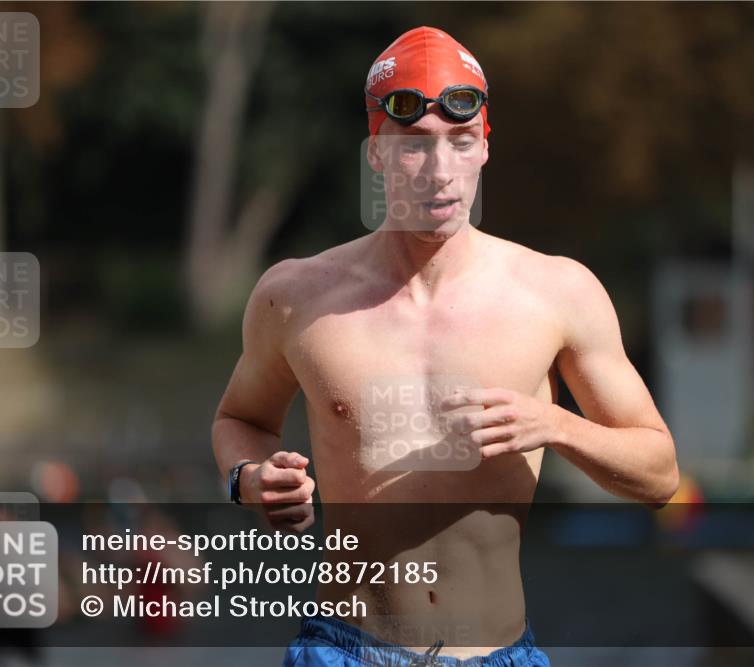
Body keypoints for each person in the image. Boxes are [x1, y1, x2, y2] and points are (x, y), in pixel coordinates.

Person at [212, 26, 679, 667]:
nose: (439, 172)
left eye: (460, 142)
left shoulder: (558, 292)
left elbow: (660, 474)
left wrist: (556, 425)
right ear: (375, 152)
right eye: (414, 145)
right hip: (345, 649)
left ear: (484, 147)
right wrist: (248, 479)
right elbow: (239, 419)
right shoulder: (295, 296)